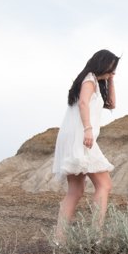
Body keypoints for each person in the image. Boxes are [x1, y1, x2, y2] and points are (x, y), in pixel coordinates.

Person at [53, 49, 119, 243]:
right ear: (102, 63)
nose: (112, 71)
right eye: (111, 67)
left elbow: (112, 104)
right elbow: (83, 103)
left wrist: (110, 79)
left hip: (73, 137)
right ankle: (95, 236)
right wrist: (88, 129)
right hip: (81, 137)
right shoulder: (89, 80)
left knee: (75, 191)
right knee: (104, 185)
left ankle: (59, 240)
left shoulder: (92, 81)